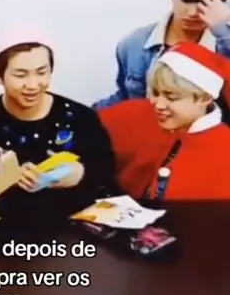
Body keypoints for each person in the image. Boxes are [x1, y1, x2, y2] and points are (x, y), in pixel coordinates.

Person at [0, 29, 116, 224]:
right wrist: (6, 174)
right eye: (20, 75)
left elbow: (106, 167)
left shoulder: (80, 117)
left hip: (72, 225)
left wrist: (80, 173)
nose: (33, 85)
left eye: (42, 72)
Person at [94, 0, 230, 117]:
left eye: (204, 2)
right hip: (151, 131)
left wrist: (223, 30)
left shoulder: (224, 44)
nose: (192, 12)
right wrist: (83, 116)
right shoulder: (135, 45)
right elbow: (126, 97)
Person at [98, 42, 230, 200]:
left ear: (204, 98)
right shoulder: (135, 113)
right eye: (155, 93)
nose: (158, 105)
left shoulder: (223, 151)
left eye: (171, 97)